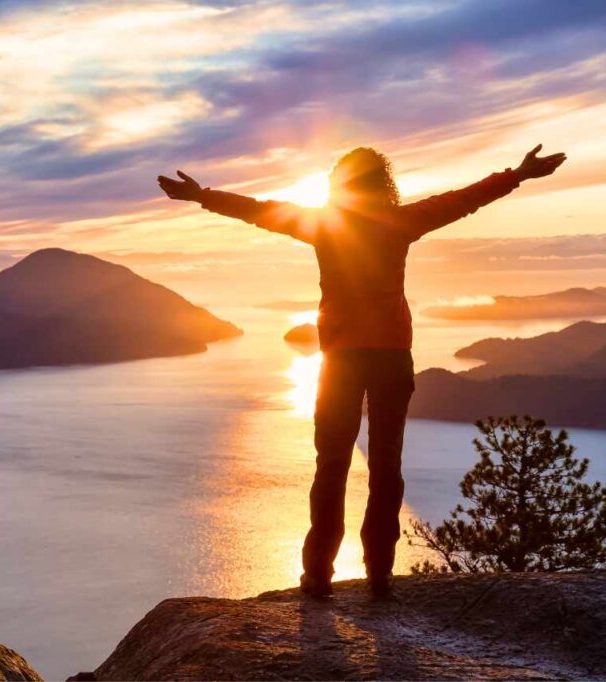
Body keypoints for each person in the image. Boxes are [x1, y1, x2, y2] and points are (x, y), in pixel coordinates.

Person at [157, 144, 566, 599]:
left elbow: (260, 211)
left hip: (342, 360)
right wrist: (519, 175)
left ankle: (317, 576)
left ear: (340, 185)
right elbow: (463, 199)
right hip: (391, 356)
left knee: (331, 465)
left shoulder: (324, 226)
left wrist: (202, 196)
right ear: (382, 183)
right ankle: (379, 575)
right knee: (386, 467)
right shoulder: (400, 221)